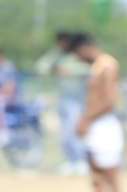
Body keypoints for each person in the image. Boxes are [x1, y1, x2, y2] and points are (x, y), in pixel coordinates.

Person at [73, 33, 122, 192]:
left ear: (85, 47)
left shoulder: (107, 66)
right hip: (94, 127)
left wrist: (85, 118)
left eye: (78, 53)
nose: (78, 58)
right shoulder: (96, 67)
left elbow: (108, 101)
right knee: (96, 180)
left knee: (111, 179)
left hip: (105, 127)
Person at [35, 31, 90, 174]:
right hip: (62, 99)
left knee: (76, 131)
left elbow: (86, 68)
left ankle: (81, 161)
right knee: (64, 133)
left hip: (76, 100)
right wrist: (54, 68)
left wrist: (67, 71)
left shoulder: (76, 54)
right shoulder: (56, 55)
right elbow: (41, 66)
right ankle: (69, 161)